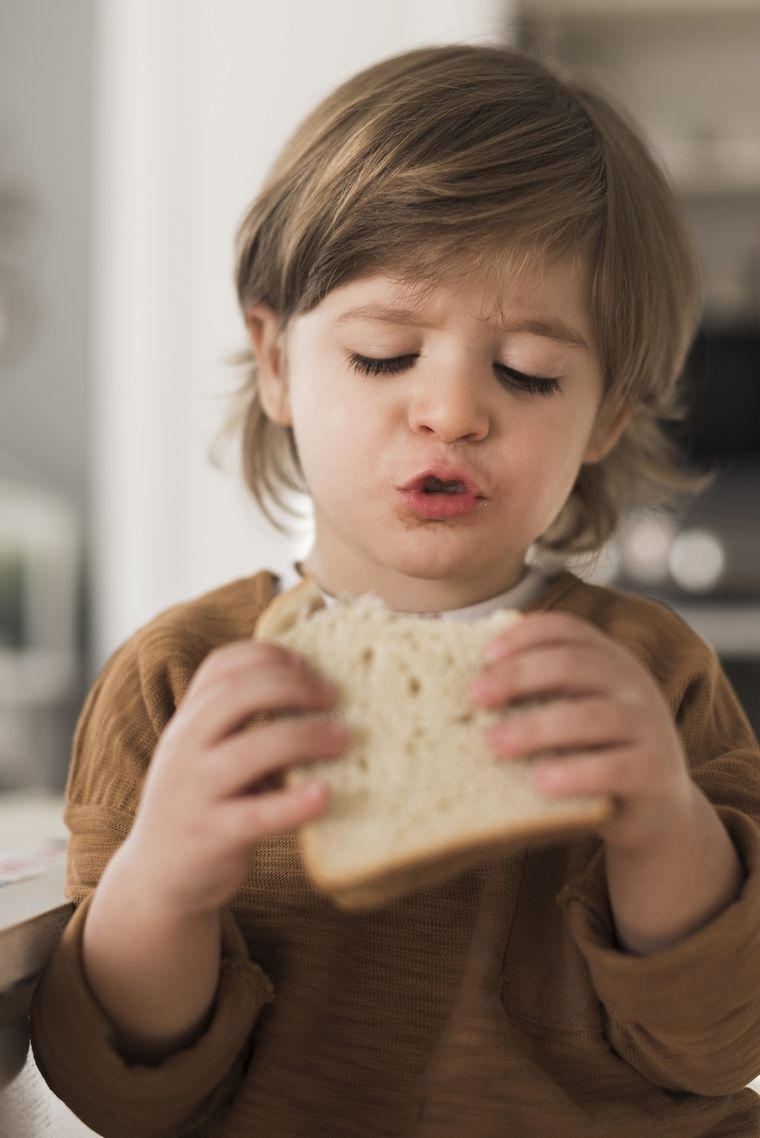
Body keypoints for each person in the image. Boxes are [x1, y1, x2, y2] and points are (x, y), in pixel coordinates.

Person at [30, 42, 760, 1138]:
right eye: (383, 353)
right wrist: (162, 879)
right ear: (275, 363)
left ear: (606, 415)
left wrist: (662, 822)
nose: (453, 411)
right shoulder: (180, 679)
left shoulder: (650, 676)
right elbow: (126, 1090)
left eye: (526, 372)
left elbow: (718, 1042)